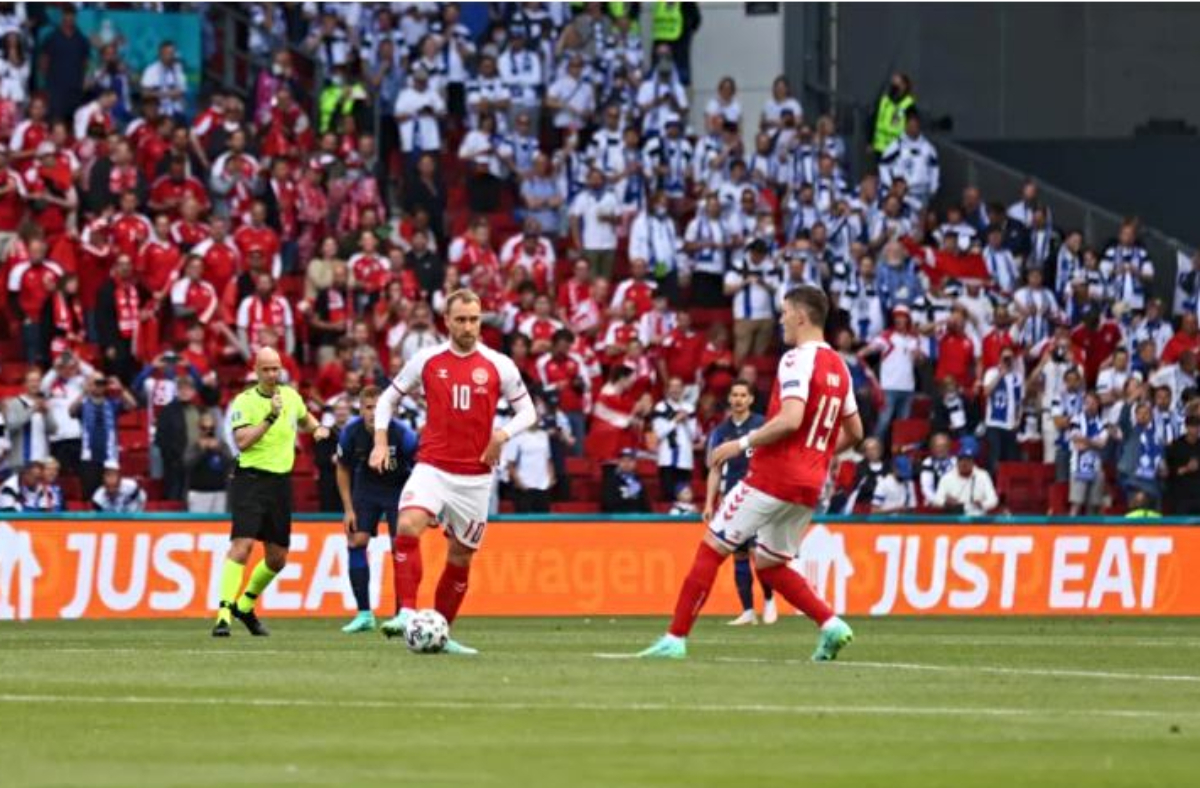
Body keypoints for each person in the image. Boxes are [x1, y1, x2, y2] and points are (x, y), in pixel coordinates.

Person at [637, 286, 863, 661]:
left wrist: (739, 445)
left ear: (801, 317)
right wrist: (818, 456)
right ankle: (831, 624)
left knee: (712, 547)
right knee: (771, 566)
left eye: (785, 312)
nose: (781, 320)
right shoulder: (841, 366)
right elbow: (856, 432)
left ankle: (674, 639)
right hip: (809, 484)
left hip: (772, 476)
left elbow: (790, 419)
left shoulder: (796, 359)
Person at [371, 289, 537, 654]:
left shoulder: (499, 364)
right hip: (432, 467)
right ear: (446, 321)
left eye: (474, 319)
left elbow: (529, 412)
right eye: (460, 319)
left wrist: (502, 434)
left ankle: (442, 633)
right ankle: (407, 612)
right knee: (407, 525)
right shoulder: (428, 359)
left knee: (461, 556)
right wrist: (380, 442)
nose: (468, 326)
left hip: (476, 478)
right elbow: (387, 399)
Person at [212, 348, 332, 638]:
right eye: (266, 369)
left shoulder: (291, 397)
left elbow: (305, 419)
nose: (272, 375)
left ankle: (245, 604)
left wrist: (317, 429)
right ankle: (224, 614)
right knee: (242, 546)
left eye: (276, 369)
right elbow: (242, 442)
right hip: (250, 480)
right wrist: (269, 418)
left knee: (277, 559)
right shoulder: (245, 401)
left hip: (279, 483)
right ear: (256, 371)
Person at [335, 385, 419, 634]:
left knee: (400, 548)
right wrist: (348, 509)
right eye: (368, 408)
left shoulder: (404, 435)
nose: (373, 413)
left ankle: (401, 613)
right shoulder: (351, 433)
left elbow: (421, 468)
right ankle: (364, 614)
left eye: (379, 407)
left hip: (398, 490)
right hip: (367, 489)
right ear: (360, 409)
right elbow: (342, 468)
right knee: (356, 540)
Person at [703, 380, 772, 627]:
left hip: (760, 497)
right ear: (730, 399)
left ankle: (769, 598)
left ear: (751, 399)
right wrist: (710, 502)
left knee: (758, 554)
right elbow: (715, 469)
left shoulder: (763, 426)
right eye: (735, 395)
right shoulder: (721, 432)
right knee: (739, 554)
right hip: (733, 500)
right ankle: (748, 610)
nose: (739, 399)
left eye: (743, 395)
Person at [930, 437, 999, 515]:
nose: (964, 463)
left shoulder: (983, 475)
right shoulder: (947, 477)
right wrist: (946, 502)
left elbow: (993, 500)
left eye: (968, 460)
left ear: (973, 461)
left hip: (977, 520)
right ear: (957, 460)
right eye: (961, 459)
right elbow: (937, 500)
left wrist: (982, 504)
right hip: (955, 520)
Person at [503, 413, 555, 513]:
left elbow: (548, 459)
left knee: (543, 524)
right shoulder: (517, 437)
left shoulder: (544, 436)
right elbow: (511, 464)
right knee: (523, 524)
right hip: (525, 487)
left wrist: (551, 479)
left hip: (542, 486)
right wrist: (519, 483)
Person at [184, 411, 233, 513]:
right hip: (198, 493)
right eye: (204, 428)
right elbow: (186, 465)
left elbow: (231, 463)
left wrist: (219, 450)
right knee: (197, 527)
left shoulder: (221, 445)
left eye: (211, 428)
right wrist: (201, 451)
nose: (208, 431)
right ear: (199, 428)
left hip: (220, 493)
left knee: (219, 527)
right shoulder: (194, 445)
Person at [1164, 415, 1200, 515]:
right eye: (1192, 426)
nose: (1195, 430)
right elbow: (1168, 471)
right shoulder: (1176, 446)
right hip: (1181, 491)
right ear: (1186, 427)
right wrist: (1186, 469)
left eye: (1197, 426)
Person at [600, 448, 651, 513]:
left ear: (635, 463)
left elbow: (645, 503)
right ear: (618, 462)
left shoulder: (638, 480)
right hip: (618, 518)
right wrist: (628, 494)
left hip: (637, 518)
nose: (627, 464)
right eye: (623, 461)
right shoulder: (611, 480)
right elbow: (608, 503)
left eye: (630, 461)